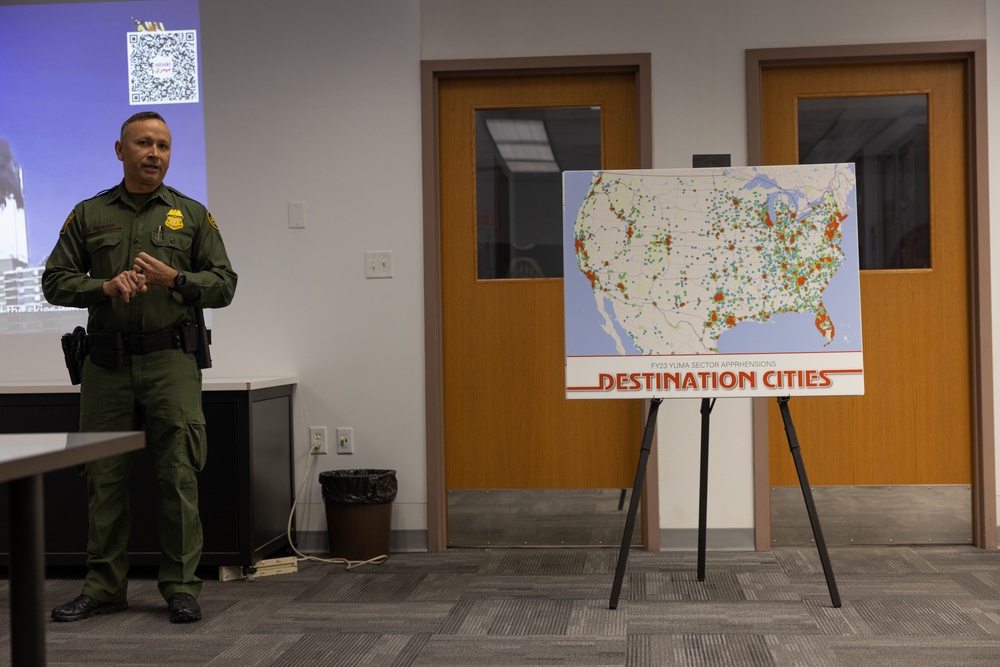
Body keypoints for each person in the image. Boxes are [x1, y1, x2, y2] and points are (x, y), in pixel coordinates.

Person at [43, 111, 238, 624]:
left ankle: (180, 588)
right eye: (144, 143)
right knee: (103, 478)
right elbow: (54, 281)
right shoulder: (88, 213)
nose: (155, 153)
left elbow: (225, 284)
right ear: (120, 150)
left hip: (171, 362)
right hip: (106, 365)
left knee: (178, 476)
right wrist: (102, 287)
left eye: (164, 146)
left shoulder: (192, 215)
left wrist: (176, 279)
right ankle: (105, 587)